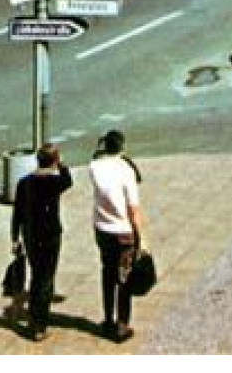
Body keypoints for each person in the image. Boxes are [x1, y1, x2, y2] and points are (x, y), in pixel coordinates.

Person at [11, 144, 73, 340]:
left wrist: (14, 237)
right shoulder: (55, 182)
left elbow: (17, 213)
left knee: (37, 273)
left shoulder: (24, 183)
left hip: (29, 233)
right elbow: (68, 180)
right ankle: (39, 324)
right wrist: (61, 164)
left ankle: (34, 317)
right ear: (54, 160)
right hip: (50, 234)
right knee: (45, 278)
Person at [89, 130, 146, 343]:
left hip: (102, 229)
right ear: (122, 147)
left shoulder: (94, 167)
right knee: (124, 277)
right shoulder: (126, 171)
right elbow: (133, 210)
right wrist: (141, 237)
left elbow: (95, 156)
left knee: (107, 273)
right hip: (123, 232)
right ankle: (123, 324)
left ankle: (108, 319)